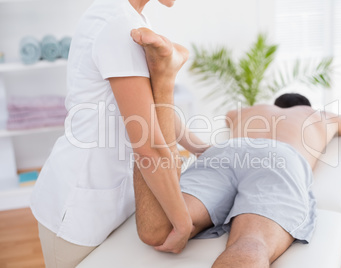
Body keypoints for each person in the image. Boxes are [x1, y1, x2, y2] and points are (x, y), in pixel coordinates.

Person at [131, 28, 341, 267]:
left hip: (228, 151)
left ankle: (163, 81)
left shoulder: (247, 112)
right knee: (251, 243)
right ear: (303, 105)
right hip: (279, 159)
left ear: (274, 104)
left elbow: (228, 117)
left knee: (159, 227)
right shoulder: (318, 115)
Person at [30, 0, 208, 267]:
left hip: (111, 198)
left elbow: (149, 107)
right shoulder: (118, 25)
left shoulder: (133, 20)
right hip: (79, 206)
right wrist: (183, 223)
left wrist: (201, 149)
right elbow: (147, 143)